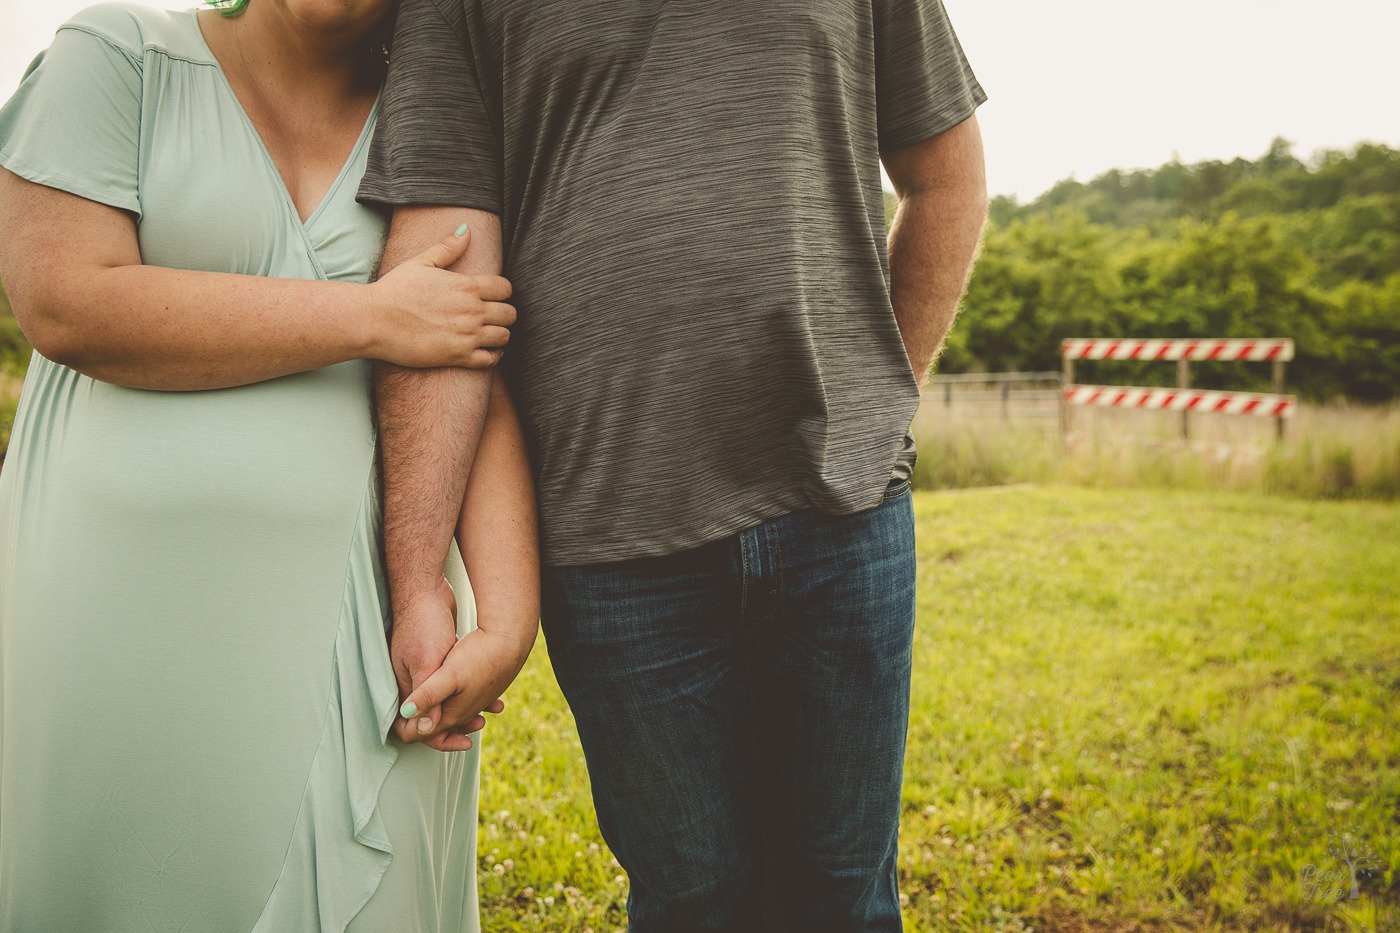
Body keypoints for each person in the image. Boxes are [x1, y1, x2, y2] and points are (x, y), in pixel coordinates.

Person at [360, 0, 988, 929]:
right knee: (694, 900)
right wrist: (416, 576)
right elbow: (445, 269)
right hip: (608, 547)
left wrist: (876, 402)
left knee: (844, 897)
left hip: (843, 517)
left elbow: (945, 177)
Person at [0, 0, 539, 929]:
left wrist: (509, 618)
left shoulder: (439, 120)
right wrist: (372, 318)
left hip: (362, 640)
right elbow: (67, 304)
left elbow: (473, 371)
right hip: (113, 626)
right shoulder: (115, 57)